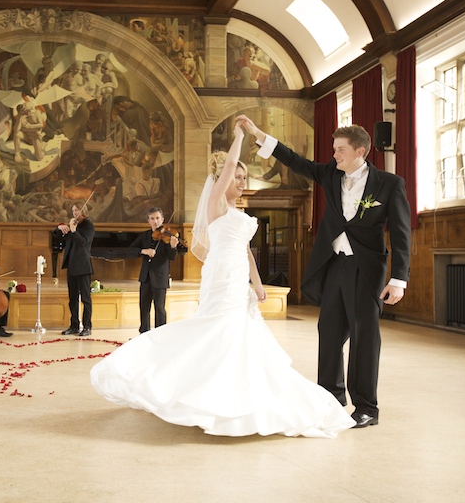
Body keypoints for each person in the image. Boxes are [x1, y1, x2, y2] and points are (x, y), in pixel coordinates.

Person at [90, 123, 355, 438]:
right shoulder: (216, 203)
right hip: (220, 277)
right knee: (218, 328)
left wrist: (257, 284)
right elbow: (228, 165)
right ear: (224, 180)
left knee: (238, 333)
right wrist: (240, 136)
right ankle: (190, 389)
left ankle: (236, 394)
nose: (241, 182)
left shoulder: (238, 212)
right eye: (237, 177)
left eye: (244, 178)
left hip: (237, 278)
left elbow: (246, 252)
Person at [237, 114, 411, 429]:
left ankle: (366, 407)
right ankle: (330, 399)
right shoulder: (331, 174)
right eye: (334, 149)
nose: (334, 154)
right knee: (329, 333)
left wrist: (399, 279)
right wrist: (258, 134)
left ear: (360, 151)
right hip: (334, 265)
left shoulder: (389, 184)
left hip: (367, 270)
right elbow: (295, 161)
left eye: (340, 149)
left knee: (364, 338)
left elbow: (401, 234)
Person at [127, 207, 179, 334]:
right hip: (145, 277)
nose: (155, 221)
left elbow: (172, 257)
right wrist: (143, 251)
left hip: (160, 277)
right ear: (148, 220)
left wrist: (173, 247)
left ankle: (160, 334)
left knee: (159, 308)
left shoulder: (168, 236)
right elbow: (131, 250)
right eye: (152, 219)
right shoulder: (144, 236)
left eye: (157, 218)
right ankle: (144, 333)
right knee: (144, 307)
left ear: (162, 219)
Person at [55, 203, 95, 336]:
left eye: (77, 210)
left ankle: (87, 326)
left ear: (83, 211)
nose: (74, 213)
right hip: (72, 266)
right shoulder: (73, 224)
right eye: (73, 210)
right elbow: (59, 236)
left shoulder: (88, 226)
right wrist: (59, 227)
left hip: (83, 267)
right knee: (72, 299)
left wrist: (73, 230)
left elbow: (83, 242)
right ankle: (74, 326)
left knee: (85, 298)